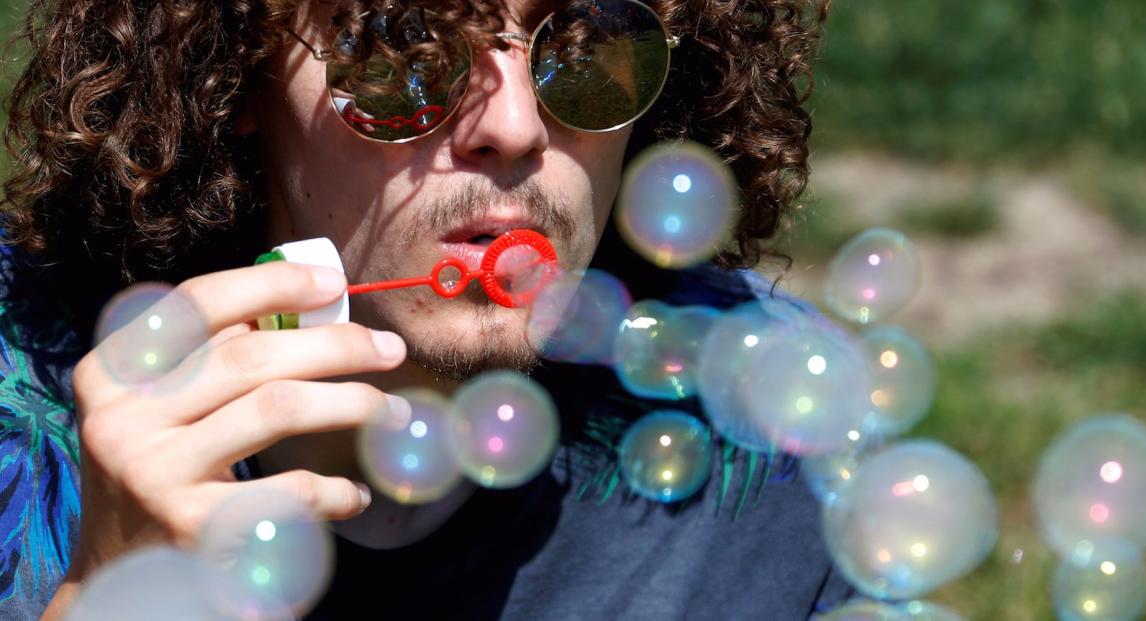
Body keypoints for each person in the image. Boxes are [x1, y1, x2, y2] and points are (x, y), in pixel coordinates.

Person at [0, 0, 853, 618]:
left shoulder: (770, 431)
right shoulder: (24, 432)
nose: (515, 126)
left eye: (588, 41)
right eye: (404, 40)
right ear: (238, 72)